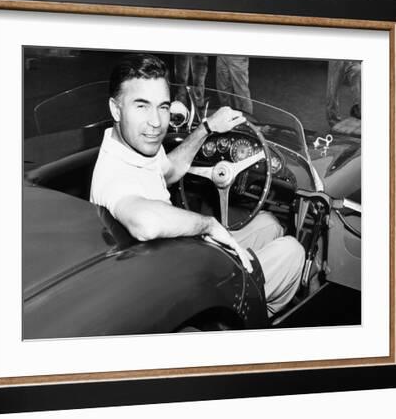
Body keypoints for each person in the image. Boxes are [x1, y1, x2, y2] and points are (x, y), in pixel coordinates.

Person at [90, 54, 304, 316]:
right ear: (115, 108)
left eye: (163, 106)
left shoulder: (134, 143)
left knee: (269, 224)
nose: (156, 123)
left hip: (180, 251)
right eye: (141, 106)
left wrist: (206, 128)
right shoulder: (114, 175)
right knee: (293, 251)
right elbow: (145, 222)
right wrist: (209, 225)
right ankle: (254, 320)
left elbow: (168, 171)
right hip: (176, 283)